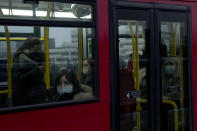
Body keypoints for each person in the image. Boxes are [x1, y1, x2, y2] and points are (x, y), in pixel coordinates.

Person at [12, 37, 46, 106]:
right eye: (36, 49)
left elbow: (41, 78)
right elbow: (18, 78)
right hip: (23, 98)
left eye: (40, 49)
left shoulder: (40, 57)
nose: (38, 52)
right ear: (27, 49)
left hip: (38, 95)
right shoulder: (20, 59)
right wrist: (36, 70)